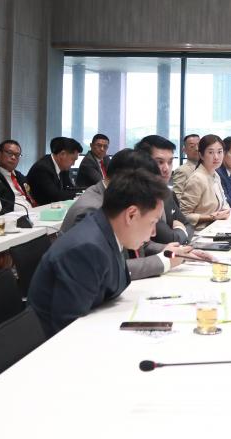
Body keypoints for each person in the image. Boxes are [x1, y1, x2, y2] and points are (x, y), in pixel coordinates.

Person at [28, 169, 169, 337]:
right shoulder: (87, 248)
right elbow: (70, 329)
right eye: (152, 222)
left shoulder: (109, 231)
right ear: (131, 215)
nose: (153, 232)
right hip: (53, 344)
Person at [61, 148, 213, 281]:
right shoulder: (91, 209)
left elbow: (142, 245)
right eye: (145, 183)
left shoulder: (119, 199)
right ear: (126, 179)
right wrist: (164, 261)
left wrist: (174, 253)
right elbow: (105, 270)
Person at [135, 135, 196, 245]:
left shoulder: (167, 193)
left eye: (170, 162)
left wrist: (179, 232)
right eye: (160, 162)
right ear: (143, 163)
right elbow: (170, 239)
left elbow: (189, 225)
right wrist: (179, 228)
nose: (166, 169)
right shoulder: (139, 196)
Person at [175, 134, 231, 230]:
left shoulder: (215, 174)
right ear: (201, 155)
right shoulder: (197, 178)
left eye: (219, 152)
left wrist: (225, 211)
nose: (216, 157)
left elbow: (224, 203)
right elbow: (184, 215)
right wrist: (211, 217)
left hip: (215, 228)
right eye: (211, 152)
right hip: (199, 232)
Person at [26, 137, 82, 205]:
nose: (73, 164)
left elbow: (70, 188)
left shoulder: (63, 167)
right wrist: (81, 194)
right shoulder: (42, 168)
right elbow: (55, 196)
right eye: (73, 159)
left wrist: (83, 192)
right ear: (62, 154)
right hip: (39, 208)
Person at [0, 139, 35, 214]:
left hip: (33, 213)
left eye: (17, 155)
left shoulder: (19, 176)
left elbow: (30, 196)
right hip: (12, 217)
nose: (13, 157)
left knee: (52, 215)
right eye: (9, 153)